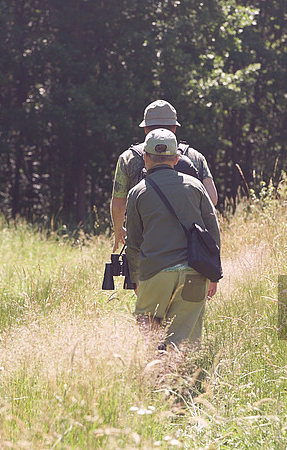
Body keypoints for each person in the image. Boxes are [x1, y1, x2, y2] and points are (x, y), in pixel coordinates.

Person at [125, 128, 221, 350]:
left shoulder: (137, 192)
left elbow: (134, 243)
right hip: (196, 273)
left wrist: (136, 278)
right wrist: (214, 275)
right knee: (182, 341)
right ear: (177, 159)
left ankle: (155, 378)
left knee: (149, 331)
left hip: (154, 274)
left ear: (145, 158)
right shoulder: (196, 186)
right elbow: (213, 232)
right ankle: (176, 381)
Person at [111, 100, 218, 251]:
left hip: (146, 244)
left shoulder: (128, 158)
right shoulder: (194, 156)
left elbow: (119, 204)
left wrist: (118, 230)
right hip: (189, 245)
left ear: (146, 129)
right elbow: (212, 199)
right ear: (174, 128)